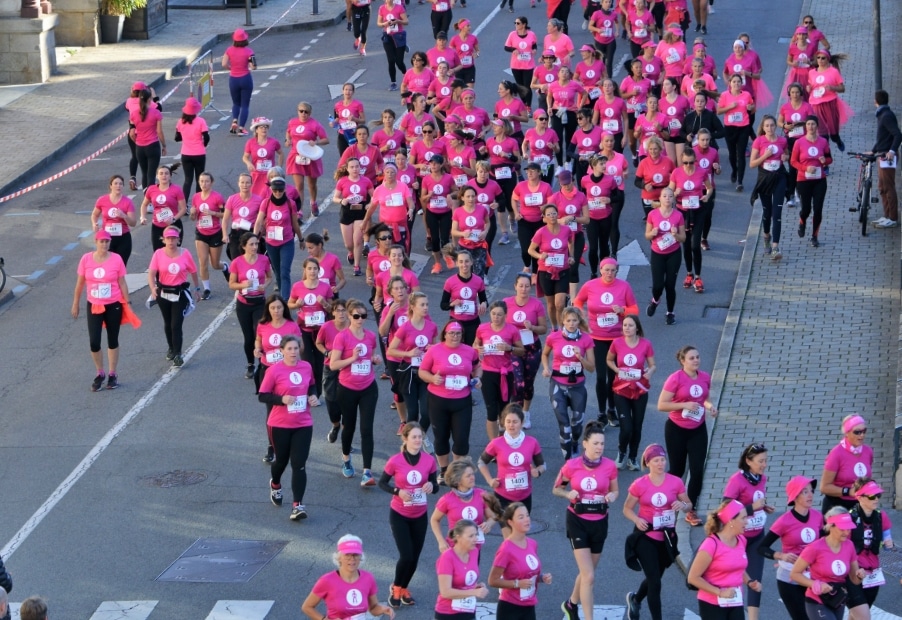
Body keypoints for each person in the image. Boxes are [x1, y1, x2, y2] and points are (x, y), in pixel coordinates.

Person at [554, 420, 618, 620]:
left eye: (602, 444)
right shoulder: (571, 466)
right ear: (585, 444)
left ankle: (571, 604)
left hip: (600, 523)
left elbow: (615, 490)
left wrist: (612, 497)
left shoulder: (609, 466)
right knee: (589, 576)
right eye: (596, 443)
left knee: (586, 572)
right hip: (577, 522)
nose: (600, 448)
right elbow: (556, 488)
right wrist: (568, 494)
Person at [623, 443, 692, 620]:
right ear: (648, 463)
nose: (661, 463)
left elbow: (689, 504)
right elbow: (627, 509)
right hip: (645, 536)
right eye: (656, 460)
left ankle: (635, 599)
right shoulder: (639, 485)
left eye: (663, 459)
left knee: (655, 578)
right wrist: (637, 520)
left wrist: (682, 505)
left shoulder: (675, 482)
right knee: (655, 582)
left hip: (667, 538)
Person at [257, 335, 318, 520]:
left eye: (296, 348)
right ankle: (275, 483)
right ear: (281, 351)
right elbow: (262, 395)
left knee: (299, 465)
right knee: (281, 461)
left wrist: (313, 396)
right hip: (279, 424)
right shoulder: (274, 371)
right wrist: (281, 400)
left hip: (303, 423)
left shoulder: (306, 367)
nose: (293, 352)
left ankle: (297, 505)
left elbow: (312, 386)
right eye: (289, 349)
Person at [379, 422, 439, 608]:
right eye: (414, 437)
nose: (418, 440)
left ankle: (404, 588)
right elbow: (382, 483)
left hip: (419, 514)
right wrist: (397, 491)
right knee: (406, 555)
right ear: (405, 439)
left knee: (415, 557)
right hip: (399, 514)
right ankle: (396, 588)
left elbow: (435, 486)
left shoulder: (429, 460)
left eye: (420, 436)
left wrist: (431, 486)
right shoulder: (395, 460)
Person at [574, 257, 638, 428]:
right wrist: (582, 316)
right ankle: (601, 412)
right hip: (597, 338)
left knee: (614, 377)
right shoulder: (591, 285)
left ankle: (612, 410)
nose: (609, 273)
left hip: (618, 339)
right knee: (601, 377)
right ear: (601, 270)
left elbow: (635, 309)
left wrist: (623, 310)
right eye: (606, 270)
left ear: (617, 272)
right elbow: (578, 301)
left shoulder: (624, 287)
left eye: (613, 270)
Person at [658, 345, 716, 525]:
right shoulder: (675, 379)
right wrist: (683, 405)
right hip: (676, 429)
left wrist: (709, 407)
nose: (696, 360)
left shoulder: (705, 377)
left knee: (697, 470)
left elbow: (703, 399)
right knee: (677, 470)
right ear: (682, 361)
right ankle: (665, 501)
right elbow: (661, 405)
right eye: (691, 358)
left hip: (698, 428)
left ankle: (691, 509)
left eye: (697, 357)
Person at [418, 320, 482, 485]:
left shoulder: (470, 351)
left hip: (462, 401)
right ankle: (444, 470)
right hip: (438, 400)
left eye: (458, 333)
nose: (455, 336)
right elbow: (422, 371)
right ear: (444, 334)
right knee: (441, 437)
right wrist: (432, 378)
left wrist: (477, 378)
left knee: (461, 439)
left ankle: (457, 470)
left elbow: (477, 367)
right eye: (451, 333)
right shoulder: (434, 351)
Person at [330, 299, 382, 486]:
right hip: (347, 389)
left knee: (367, 429)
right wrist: (352, 358)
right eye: (356, 316)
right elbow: (334, 364)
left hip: (368, 388)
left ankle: (367, 472)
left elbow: (372, 357)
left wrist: (376, 360)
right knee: (349, 427)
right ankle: (346, 459)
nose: (360, 319)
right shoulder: (342, 337)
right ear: (350, 317)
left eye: (363, 316)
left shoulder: (370, 336)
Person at [758, 476, 824, 620]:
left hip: (813, 576)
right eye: (805, 492)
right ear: (795, 495)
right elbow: (761, 547)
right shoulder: (784, 521)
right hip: (789, 579)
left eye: (811, 491)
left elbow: (826, 543)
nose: (811, 495)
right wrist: (781, 556)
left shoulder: (818, 517)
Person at [72, 230, 131, 391]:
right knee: (94, 341)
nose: (104, 244)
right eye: (101, 241)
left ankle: (112, 374)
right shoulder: (86, 259)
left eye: (107, 242)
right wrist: (75, 303)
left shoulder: (116, 259)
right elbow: (80, 283)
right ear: (96, 242)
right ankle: (100, 372)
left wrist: (127, 301)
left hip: (113, 304)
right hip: (94, 304)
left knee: (112, 339)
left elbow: (122, 282)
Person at [722, 443, 774, 620]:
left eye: (766, 460)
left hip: (757, 536)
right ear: (748, 461)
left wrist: (763, 508)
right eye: (761, 461)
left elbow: (756, 501)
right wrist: (752, 508)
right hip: (737, 538)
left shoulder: (762, 478)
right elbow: (726, 510)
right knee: (733, 578)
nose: (764, 465)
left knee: (755, 581)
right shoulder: (736, 480)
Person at [688, 500, 762, 620]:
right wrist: (720, 592)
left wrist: (749, 582)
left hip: (735, 601)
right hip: (712, 603)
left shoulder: (741, 540)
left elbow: (738, 567)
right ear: (731, 521)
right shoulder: (711, 544)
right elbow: (693, 577)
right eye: (743, 518)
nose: (747, 521)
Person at [790, 507, 868, 620]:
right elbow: (794, 574)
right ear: (831, 526)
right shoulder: (815, 548)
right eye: (842, 529)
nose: (847, 532)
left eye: (849, 528)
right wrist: (815, 584)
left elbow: (854, 580)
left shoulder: (849, 545)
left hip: (837, 600)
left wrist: (859, 576)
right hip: (816, 600)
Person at [542, 306, 596, 458]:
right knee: (564, 425)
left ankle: (574, 442)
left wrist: (581, 358)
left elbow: (591, 368)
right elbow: (545, 355)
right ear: (563, 322)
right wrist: (546, 368)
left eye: (574, 320)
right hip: (557, 384)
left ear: (579, 321)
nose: (571, 323)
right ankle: (568, 461)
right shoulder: (553, 337)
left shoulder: (586, 339)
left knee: (577, 425)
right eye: (568, 321)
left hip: (577, 386)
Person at [478, 404, 545, 521]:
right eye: (508, 421)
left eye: (515, 422)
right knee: (508, 535)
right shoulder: (496, 443)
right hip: (502, 496)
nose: (511, 425)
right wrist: (489, 480)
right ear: (503, 422)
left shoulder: (532, 442)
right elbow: (481, 462)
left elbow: (543, 464)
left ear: (522, 423)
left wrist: (538, 471)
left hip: (524, 496)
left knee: (520, 534)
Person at [302, 535, 395, 619]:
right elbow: (307, 607)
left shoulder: (368, 578)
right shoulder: (327, 580)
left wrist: (383, 609)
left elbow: (373, 608)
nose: (352, 559)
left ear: (360, 557)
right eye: (347, 555)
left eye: (356, 554)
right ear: (339, 557)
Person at [254, 294, 300, 463]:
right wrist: (257, 349)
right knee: (271, 410)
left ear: (284, 308)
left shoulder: (291, 326)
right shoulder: (262, 325)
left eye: (279, 307)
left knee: (289, 407)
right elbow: (258, 341)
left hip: (286, 373)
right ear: (268, 309)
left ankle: (292, 440)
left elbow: (299, 347)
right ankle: (271, 446)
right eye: (272, 308)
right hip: (267, 370)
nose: (276, 311)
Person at [387, 292, 438, 445]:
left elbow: (436, 348)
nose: (425, 308)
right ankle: (410, 443)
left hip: (425, 373)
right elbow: (391, 350)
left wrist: (432, 348)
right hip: (409, 373)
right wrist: (408, 353)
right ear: (413, 307)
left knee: (426, 413)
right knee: (413, 413)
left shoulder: (432, 326)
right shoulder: (405, 327)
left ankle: (418, 437)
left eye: (427, 304)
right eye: (422, 305)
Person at [488, 503, 554, 620]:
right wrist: (517, 584)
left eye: (527, 515)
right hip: (510, 608)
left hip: (529, 606)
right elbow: (493, 581)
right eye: (521, 517)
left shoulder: (532, 544)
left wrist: (541, 578)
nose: (527, 520)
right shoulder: (506, 549)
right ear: (510, 522)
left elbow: (527, 574)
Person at [147, 226, 200, 368]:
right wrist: (153, 288)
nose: (170, 241)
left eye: (173, 238)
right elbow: (151, 274)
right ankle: (171, 347)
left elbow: (193, 271)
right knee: (168, 322)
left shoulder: (185, 253)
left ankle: (178, 354)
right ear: (163, 240)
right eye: (168, 238)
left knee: (176, 324)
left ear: (178, 239)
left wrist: (197, 288)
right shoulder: (158, 254)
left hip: (180, 293)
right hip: (163, 293)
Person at [606, 314, 654, 468]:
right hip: (621, 390)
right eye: (625, 325)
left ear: (637, 327)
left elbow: (653, 365)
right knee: (626, 427)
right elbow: (609, 359)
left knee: (637, 426)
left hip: (640, 390)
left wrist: (650, 372)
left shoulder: (645, 344)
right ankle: (621, 452)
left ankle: (632, 458)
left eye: (630, 325)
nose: (627, 328)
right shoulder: (617, 342)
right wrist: (617, 370)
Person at [473, 304, 525, 439]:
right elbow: (475, 344)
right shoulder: (482, 328)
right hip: (487, 372)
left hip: (505, 373)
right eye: (494, 314)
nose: (496, 317)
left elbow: (521, 350)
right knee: (491, 410)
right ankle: (493, 444)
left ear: (505, 315)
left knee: (503, 409)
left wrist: (510, 348)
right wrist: (478, 349)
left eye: (499, 314)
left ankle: (503, 437)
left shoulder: (512, 330)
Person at [504, 273, 547, 428]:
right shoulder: (506, 303)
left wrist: (532, 327)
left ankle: (526, 413)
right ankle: (514, 416)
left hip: (532, 349)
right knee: (518, 383)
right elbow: (497, 325)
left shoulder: (536, 305)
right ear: (515, 286)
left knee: (528, 384)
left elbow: (543, 329)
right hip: (514, 349)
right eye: (521, 286)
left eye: (527, 286)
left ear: (531, 287)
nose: (524, 289)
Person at [432, 458, 500, 553]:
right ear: (458, 480)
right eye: (468, 476)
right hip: (454, 549)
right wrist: (441, 541)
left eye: (472, 474)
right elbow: (434, 520)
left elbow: (492, 517)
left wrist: (488, 524)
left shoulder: (482, 495)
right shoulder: (446, 499)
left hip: (475, 548)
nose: (473, 477)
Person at [288, 258, 333, 400]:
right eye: (310, 268)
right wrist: (296, 305)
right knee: (307, 363)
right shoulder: (297, 286)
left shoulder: (325, 287)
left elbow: (332, 309)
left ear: (319, 271)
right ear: (305, 270)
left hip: (321, 331)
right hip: (303, 330)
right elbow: (289, 303)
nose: (312, 271)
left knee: (320, 363)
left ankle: (318, 393)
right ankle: (309, 393)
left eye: (315, 269)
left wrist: (324, 303)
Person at [230, 232, 273, 379]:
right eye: (251, 244)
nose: (255, 247)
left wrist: (264, 285)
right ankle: (250, 364)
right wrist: (242, 285)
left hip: (260, 302)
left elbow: (269, 277)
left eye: (256, 244)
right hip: (244, 304)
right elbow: (232, 284)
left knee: (259, 334)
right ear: (243, 246)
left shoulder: (264, 259)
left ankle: (263, 364)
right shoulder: (237, 262)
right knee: (248, 337)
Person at [670, 149, 713, 292]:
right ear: (682, 161)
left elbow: (709, 188)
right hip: (682, 212)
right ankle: (689, 273)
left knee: (695, 245)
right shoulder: (676, 173)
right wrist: (675, 194)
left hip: (698, 210)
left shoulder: (701, 172)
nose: (688, 165)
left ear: (695, 160)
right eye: (685, 162)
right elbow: (669, 193)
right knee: (686, 245)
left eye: (691, 162)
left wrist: (707, 196)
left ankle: (698, 277)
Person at [848, 478, 894, 611]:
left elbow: (887, 542)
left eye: (878, 495)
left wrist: (888, 544)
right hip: (855, 570)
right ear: (860, 497)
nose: (876, 499)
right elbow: (843, 548)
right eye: (872, 496)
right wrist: (854, 569)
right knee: (859, 611)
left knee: (864, 610)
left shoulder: (882, 517)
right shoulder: (849, 519)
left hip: (873, 571)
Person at [529, 204, 575, 330]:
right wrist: (539, 256)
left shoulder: (566, 230)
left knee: (559, 304)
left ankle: (562, 329)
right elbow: (530, 250)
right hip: (546, 272)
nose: (552, 216)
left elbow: (571, 242)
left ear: (557, 214)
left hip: (563, 271)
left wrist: (571, 256)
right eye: (549, 214)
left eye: (554, 213)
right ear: (544, 217)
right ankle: (554, 327)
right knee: (551, 305)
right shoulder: (541, 232)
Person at [644, 187, 685, 325]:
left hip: (674, 253)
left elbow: (683, 238)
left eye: (670, 196)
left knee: (670, 285)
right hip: (657, 253)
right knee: (657, 285)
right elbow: (647, 235)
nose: (667, 198)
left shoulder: (678, 216)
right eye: (665, 196)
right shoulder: (653, 215)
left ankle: (670, 312)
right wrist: (653, 233)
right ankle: (655, 300)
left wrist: (675, 235)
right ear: (660, 199)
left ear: (673, 199)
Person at [749, 115, 788, 260]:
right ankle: (766, 236)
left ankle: (775, 247)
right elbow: (752, 164)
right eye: (767, 126)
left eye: (772, 125)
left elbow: (786, 154)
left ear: (775, 127)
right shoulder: (759, 141)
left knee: (777, 214)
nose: (770, 128)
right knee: (767, 213)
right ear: (763, 128)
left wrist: (786, 157)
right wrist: (765, 156)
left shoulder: (782, 140)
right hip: (764, 179)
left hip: (779, 178)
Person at [790, 115, 832, 248]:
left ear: (817, 126)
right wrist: (805, 168)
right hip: (804, 180)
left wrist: (825, 162)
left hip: (820, 180)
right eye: (808, 124)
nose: (810, 127)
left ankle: (815, 236)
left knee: (818, 209)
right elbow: (793, 161)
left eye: (813, 124)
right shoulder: (799, 142)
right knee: (806, 209)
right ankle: (802, 221)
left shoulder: (823, 142)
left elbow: (829, 158)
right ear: (805, 126)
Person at [254, 176, 301, 294]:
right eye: (275, 190)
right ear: (271, 189)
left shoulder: (291, 203)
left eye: (280, 190)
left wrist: (301, 239)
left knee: (285, 271)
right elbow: (259, 221)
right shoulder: (266, 202)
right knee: (277, 272)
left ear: (284, 189)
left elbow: (295, 223)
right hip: (271, 243)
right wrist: (254, 238)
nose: (278, 193)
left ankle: (285, 300)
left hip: (286, 242)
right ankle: (281, 295)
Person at [820, 414, 873, 512]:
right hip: (838, 506)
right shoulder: (836, 454)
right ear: (847, 433)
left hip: (860, 505)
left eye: (864, 431)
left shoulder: (868, 451)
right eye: (857, 432)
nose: (862, 435)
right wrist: (848, 492)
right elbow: (824, 487)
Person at [285, 101, 329, 217]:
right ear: (298, 111)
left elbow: (326, 139)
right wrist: (288, 140)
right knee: (299, 185)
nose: (303, 114)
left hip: (310, 156)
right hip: (296, 156)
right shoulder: (292, 122)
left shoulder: (315, 124)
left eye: (306, 112)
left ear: (310, 113)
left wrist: (316, 142)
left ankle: (313, 202)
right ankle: (299, 210)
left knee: (311, 185)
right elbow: (288, 133)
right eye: (301, 111)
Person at [550, 168, 589, 300]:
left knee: (573, 266)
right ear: (560, 184)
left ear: (573, 180)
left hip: (576, 236)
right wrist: (559, 220)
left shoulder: (581, 196)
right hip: (560, 238)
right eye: (563, 184)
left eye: (568, 183)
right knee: (561, 267)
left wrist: (572, 218)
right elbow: (545, 218)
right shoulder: (555, 198)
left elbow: (586, 219)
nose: (566, 186)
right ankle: (563, 292)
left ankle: (573, 299)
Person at [333, 158, 376, 276]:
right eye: (352, 167)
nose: (355, 169)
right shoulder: (342, 181)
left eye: (357, 166)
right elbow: (335, 198)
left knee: (357, 240)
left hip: (360, 212)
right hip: (347, 211)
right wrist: (342, 200)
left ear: (360, 168)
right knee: (349, 244)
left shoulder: (366, 181)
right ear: (347, 169)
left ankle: (357, 266)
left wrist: (369, 204)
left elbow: (374, 196)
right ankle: (350, 252)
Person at [189, 172, 228, 300]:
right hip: (201, 233)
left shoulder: (217, 197)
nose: (204, 184)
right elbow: (193, 218)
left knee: (215, 264)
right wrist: (192, 213)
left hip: (215, 233)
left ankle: (225, 266)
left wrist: (213, 213)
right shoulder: (196, 197)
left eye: (206, 181)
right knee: (203, 262)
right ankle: (207, 289)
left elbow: (225, 215)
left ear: (211, 183)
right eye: (201, 181)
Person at [316, 298, 349, 445]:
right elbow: (318, 343)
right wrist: (326, 352)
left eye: (344, 310)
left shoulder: (352, 326)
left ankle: (345, 438)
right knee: (331, 400)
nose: (341, 313)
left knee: (348, 402)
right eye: (338, 310)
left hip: (348, 368)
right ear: (333, 312)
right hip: (330, 368)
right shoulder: (326, 327)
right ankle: (336, 425)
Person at [777, 83, 815, 209]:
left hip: (804, 140)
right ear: (789, 94)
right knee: (792, 167)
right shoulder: (785, 107)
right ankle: (791, 195)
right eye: (792, 92)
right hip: (791, 140)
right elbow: (779, 121)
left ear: (801, 93)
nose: (795, 95)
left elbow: (812, 121)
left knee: (802, 166)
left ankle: (802, 192)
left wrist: (802, 123)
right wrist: (784, 126)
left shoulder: (807, 106)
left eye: (797, 92)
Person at [869, 89, 902, 228]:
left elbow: (897, 135)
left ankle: (893, 218)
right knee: (882, 187)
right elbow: (883, 137)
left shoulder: (885, 116)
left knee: (888, 186)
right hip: (882, 154)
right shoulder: (883, 114)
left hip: (886, 156)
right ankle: (887, 215)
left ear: (875, 101)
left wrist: (892, 151)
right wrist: (873, 151)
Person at [717, 74, 755, 192]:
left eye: (739, 82)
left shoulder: (746, 95)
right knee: (732, 154)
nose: (737, 84)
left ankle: (740, 181)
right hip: (730, 128)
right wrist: (729, 107)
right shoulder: (724, 95)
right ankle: (734, 169)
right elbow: (718, 111)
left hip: (743, 127)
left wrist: (750, 108)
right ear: (730, 83)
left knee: (741, 154)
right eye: (734, 82)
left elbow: (753, 108)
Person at [441, 251, 487, 344]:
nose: (464, 264)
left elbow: (484, 300)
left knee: (472, 351)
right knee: (456, 351)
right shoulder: (450, 282)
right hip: (456, 323)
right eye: (461, 262)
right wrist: (452, 304)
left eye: (466, 261)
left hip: (473, 323)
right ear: (457, 263)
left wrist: (484, 304)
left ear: (471, 262)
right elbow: (443, 305)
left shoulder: (478, 281)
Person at [92, 174, 138, 266]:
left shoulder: (127, 202)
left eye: (121, 184)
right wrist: (94, 223)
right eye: (115, 183)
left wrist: (124, 216)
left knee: (120, 266)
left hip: (123, 238)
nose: (118, 186)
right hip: (106, 239)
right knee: (107, 265)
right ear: (110, 186)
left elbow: (133, 223)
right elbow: (94, 214)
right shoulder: (102, 200)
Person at [139, 164, 187, 252]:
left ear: (170, 176)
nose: (164, 176)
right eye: (161, 173)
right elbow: (144, 205)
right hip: (157, 226)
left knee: (174, 253)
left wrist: (173, 219)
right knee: (158, 254)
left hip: (174, 225)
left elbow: (184, 209)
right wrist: (142, 217)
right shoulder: (151, 189)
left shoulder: (176, 189)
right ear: (157, 176)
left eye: (166, 173)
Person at [807, 50, 847, 152]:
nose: (820, 60)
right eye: (818, 58)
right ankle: (825, 155)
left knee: (833, 133)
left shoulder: (833, 71)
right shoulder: (811, 72)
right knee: (822, 133)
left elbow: (842, 88)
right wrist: (809, 88)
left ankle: (837, 140)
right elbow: (811, 85)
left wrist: (832, 88)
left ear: (828, 59)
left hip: (830, 103)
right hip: (816, 104)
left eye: (823, 58)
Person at [129, 88, 165, 190]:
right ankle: (150, 198)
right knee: (151, 174)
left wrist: (137, 142)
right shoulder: (156, 113)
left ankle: (146, 197)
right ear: (150, 99)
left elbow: (132, 133)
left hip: (140, 147)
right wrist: (164, 145)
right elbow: (159, 132)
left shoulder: (134, 114)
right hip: (153, 145)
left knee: (144, 173)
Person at [125, 81, 158, 190]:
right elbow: (159, 107)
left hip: (132, 132)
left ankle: (132, 177)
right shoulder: (148, 103)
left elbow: (127, 109)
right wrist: (154, 95)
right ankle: (150, 192)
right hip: (147, 137)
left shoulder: (129, 101)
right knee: (149, 170)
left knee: (134, 156)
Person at [222, 28, 256, 136]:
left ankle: (234, 121)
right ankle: (241, 128)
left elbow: (223, 64)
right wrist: (250, 67)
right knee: (245, 105)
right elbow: (253, 66)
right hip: (245, 78)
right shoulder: (249, 51)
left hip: (233, 79)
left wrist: (230, 68)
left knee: (236, 103)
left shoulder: (229, 50)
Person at [222, 172, 263, 262]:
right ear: (238, 183)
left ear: (251, 184)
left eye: (247, 182)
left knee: (252, 261)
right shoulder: (232, 199)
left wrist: (258, 234)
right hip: (236, 233)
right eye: (242, 182)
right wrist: (224, 234)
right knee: (236, 261)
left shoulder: (258, 200)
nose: (245, 185)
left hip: (251, 232)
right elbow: (225, 219)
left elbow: (262, 219)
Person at [174, 97, 209, 201]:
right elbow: (206, 137)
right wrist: (204, 144)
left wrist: (185, 136)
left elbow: (177, 138)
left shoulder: (180, 122)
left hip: (186, 153)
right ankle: (198, 202)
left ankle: (184, 205)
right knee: (200, 179)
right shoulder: (201, 121)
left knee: (188, 180)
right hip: (199, 153)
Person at [243, 117, 283, 199]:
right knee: (255, 197)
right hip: (256, 175)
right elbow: (245, 157)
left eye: (266, 127)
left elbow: (281, 153)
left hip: (270, 175)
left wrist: (279, 167)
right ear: (256, 130)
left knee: (270, 197)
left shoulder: (273, 142)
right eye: (261, 127)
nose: (264, 129)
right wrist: (248, 163)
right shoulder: (250, 142)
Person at [505, 17, 539, 110]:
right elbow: (506, 47)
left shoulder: (531, 34)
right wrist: (514, 49)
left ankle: (528, 106)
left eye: (518, 23)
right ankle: (524, 104)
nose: (516, 25)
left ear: (524, 25)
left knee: (527, 86)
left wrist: (534, 50)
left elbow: (534, 44)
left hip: (529, 65)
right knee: (520, 87)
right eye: (515, 23)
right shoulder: (512, 34)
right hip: (516, 65)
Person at [377, 0, 408, 91]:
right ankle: (393, 82)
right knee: (391, 60)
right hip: (388, 37)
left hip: (399, 36)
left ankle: (406, 75)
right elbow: (378, 23)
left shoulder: (399, 7)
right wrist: (384, 24)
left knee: (399, 62)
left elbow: (406, 21)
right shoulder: (382, 8)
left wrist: (398, 21)